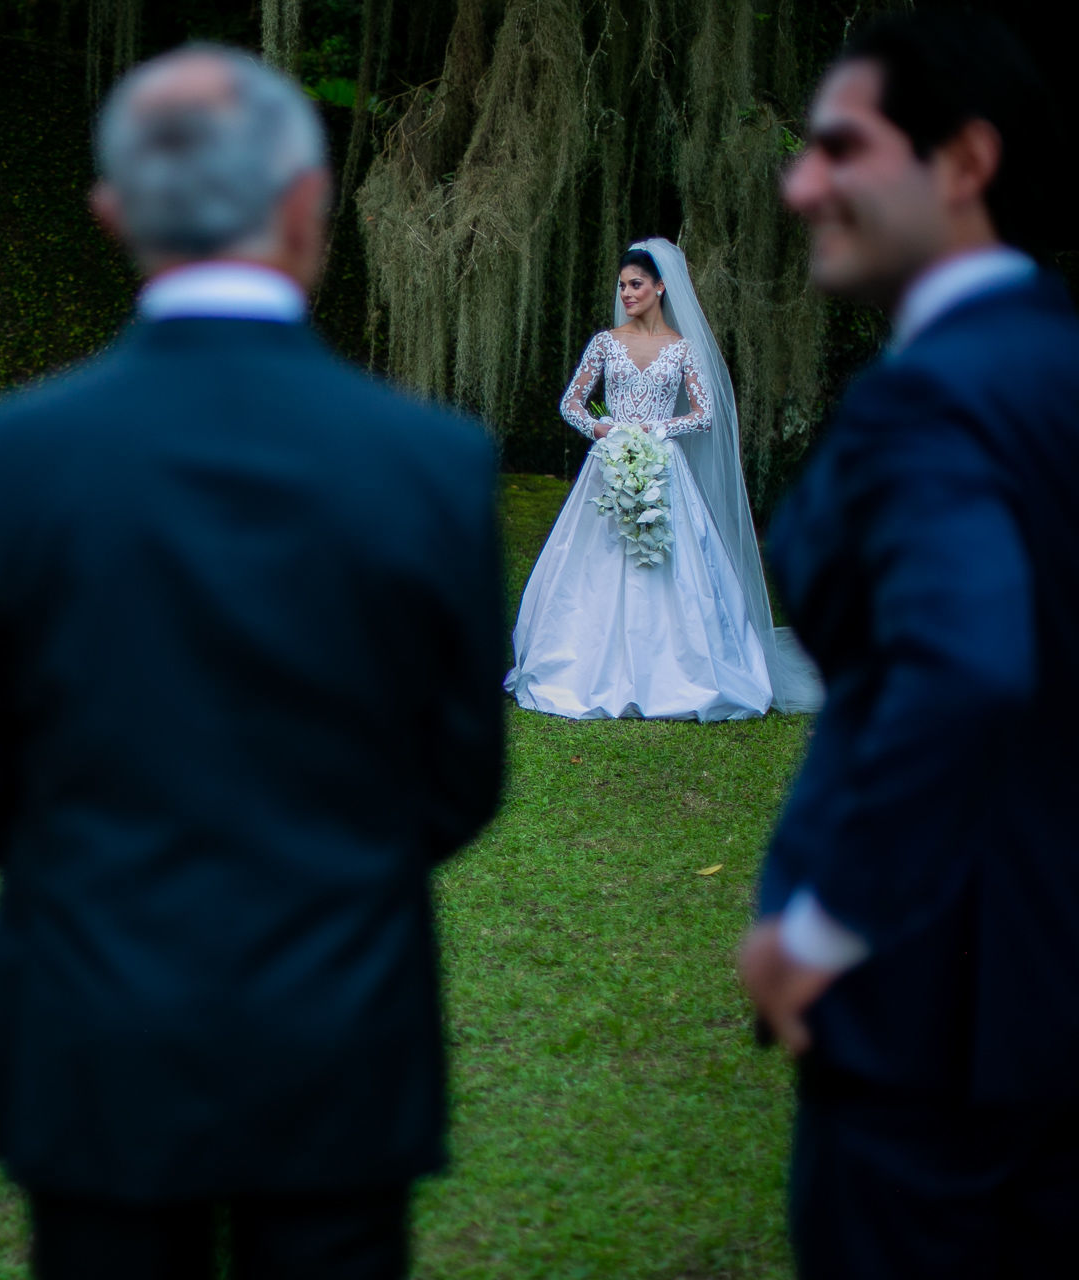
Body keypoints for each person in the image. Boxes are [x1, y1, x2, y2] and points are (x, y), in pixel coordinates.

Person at [0, 44, 504, 1280]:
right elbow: (461, 779)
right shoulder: (433, 462)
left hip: (94, 1028)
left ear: (113, 213)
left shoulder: (2, 459)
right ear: (308, 204)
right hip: (342, 1030)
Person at [738, 12, 1078, 1277]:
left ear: (965, 163)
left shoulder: (929, 397)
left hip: (940, 1022)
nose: (799, 183)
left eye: (840, 147)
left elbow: (969, 662)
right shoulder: (1058, 362)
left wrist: (822, 927)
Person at [506, 238, 822, 721]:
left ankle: (676, 670)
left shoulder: (682, 349)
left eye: (636, 284)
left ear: (660, 287)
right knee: (596, 560)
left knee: (671, 565)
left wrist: (656, 430)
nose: (627, 293)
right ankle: (584, 665)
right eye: (622, 286)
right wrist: (603, 428)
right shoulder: (606, 343)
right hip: (609, 464)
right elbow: (571, 402)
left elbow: (704, 414)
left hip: (663, 466)